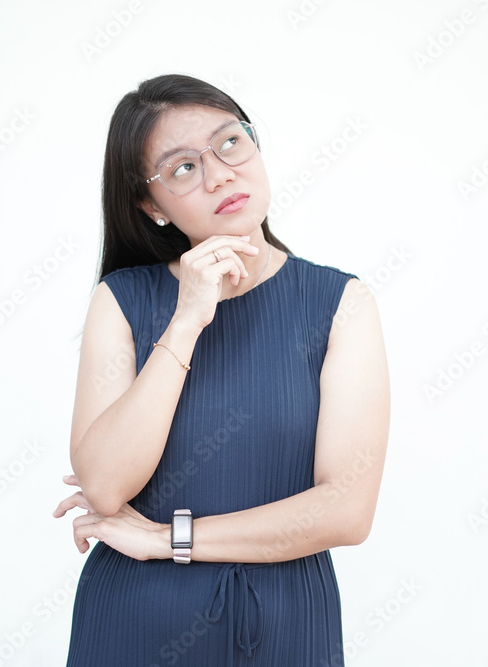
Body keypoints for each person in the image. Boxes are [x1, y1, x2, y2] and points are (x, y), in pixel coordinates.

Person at [51, 73, 390, 666]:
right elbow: (105, 485)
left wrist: (168, 539)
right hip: (136, 623)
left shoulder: (341, 303)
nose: (219, 174)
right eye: (182, 167)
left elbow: (347, 509)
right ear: (150, 205)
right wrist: (185, 322)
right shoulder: (123, 300)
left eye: (230, 142)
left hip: (286, 623)